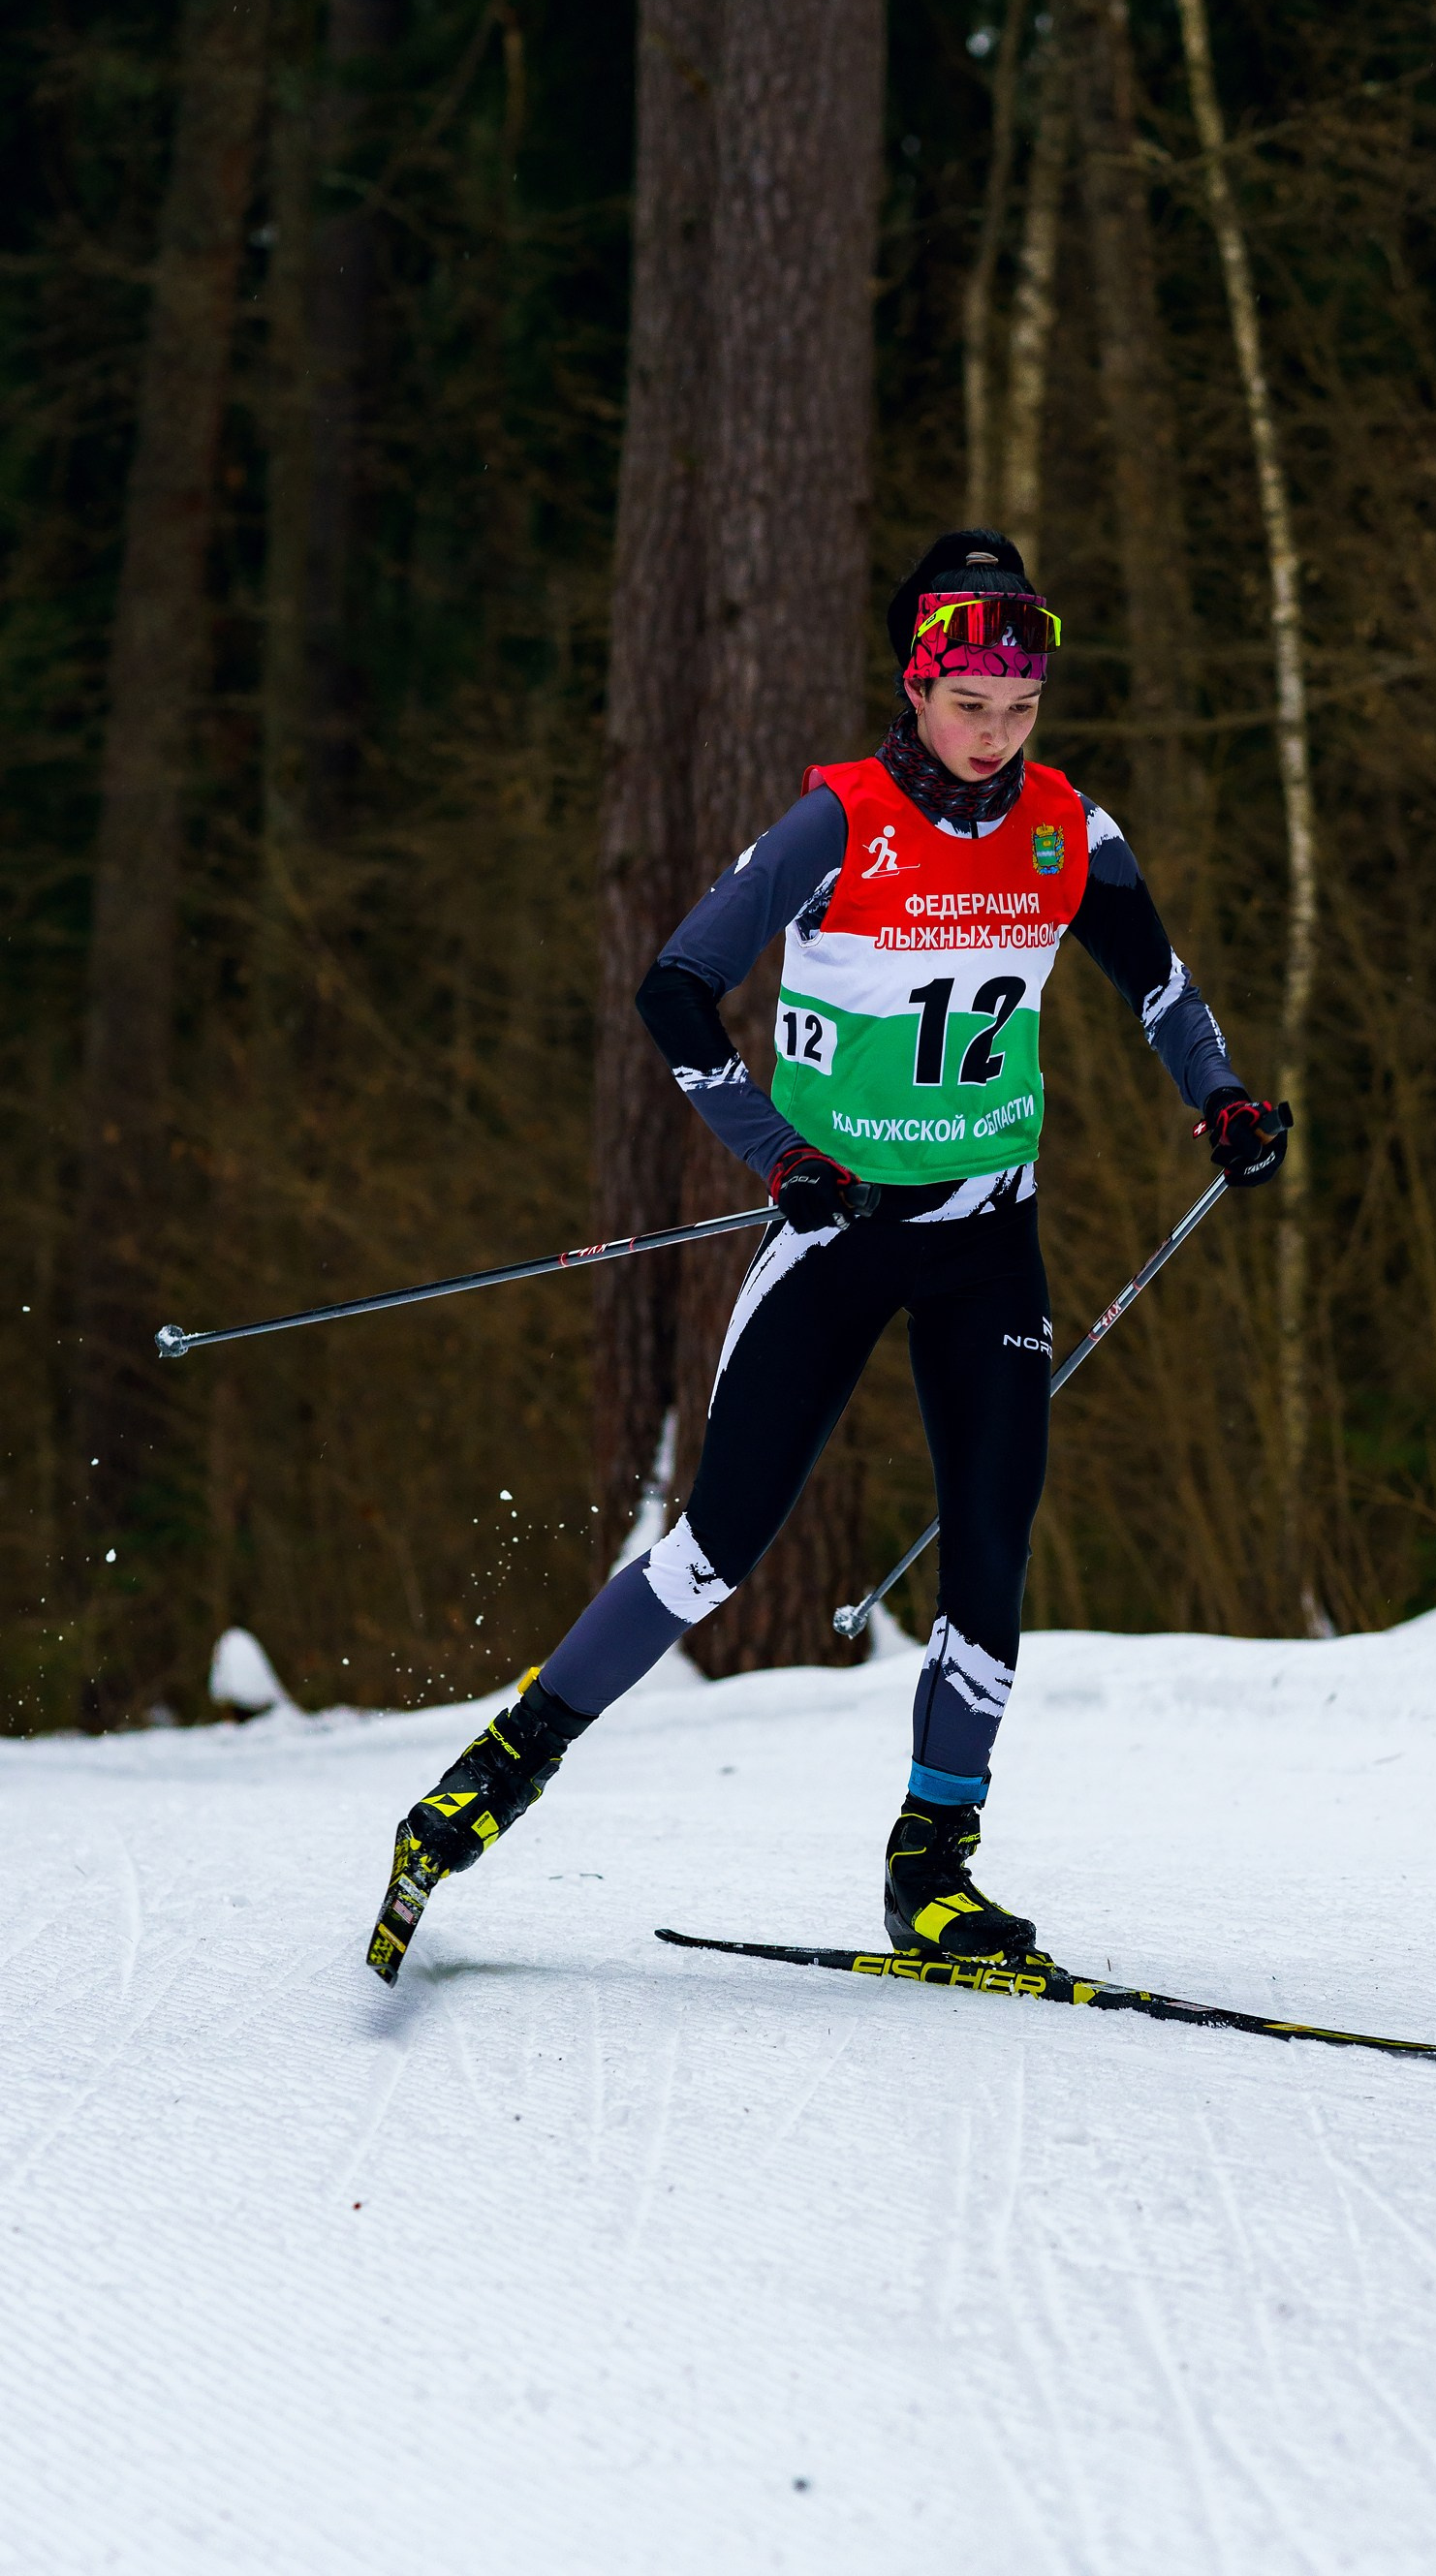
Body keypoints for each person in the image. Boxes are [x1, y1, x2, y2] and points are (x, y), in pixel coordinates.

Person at [367, 530, 1288, 1983]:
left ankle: (934, 1871)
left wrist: (1221, 1097)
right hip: (840, 1236)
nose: (996, 736)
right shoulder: (837, 823)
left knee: (992, 1550)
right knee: (718, 1545)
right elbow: (675, 991)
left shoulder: (1072, 831)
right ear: (916, 684)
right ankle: (492, 1776)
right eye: (970, 705)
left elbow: (1162, 990)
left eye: (1022, 709)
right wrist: (776, 1155)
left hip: (987, 1238)